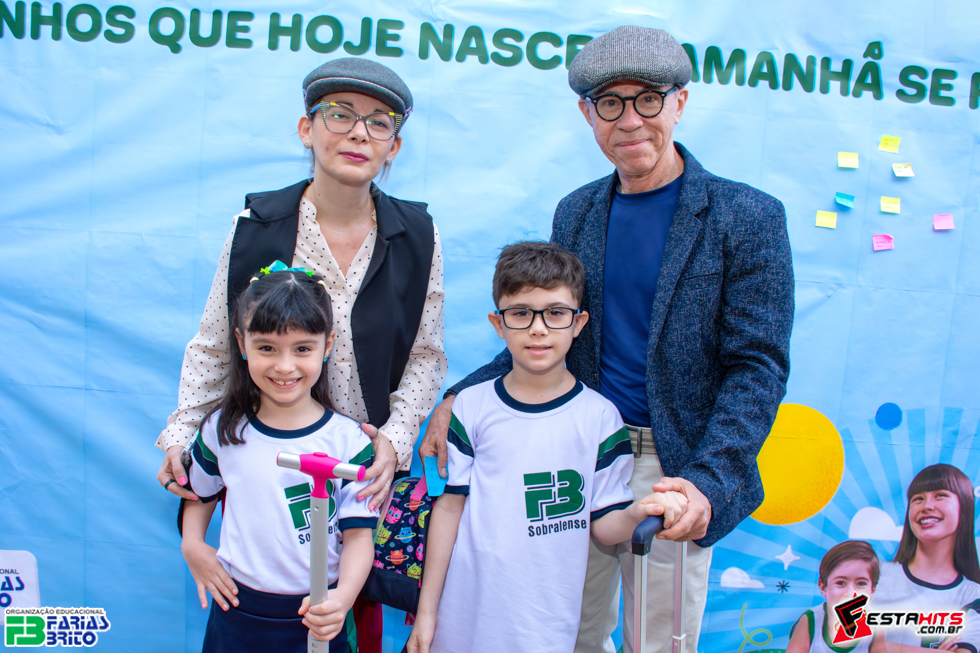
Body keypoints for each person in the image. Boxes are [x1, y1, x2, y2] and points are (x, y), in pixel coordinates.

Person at [419, 25, 794, 653]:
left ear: (679, 102)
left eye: (648, 99)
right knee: (568, 635)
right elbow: (547, 324)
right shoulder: (578, 212)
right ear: (587, 114)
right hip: (574, 454)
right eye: (610, 103)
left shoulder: (747, 216)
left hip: (676, 469)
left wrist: (707, 480)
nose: (630, 120)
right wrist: (460, 394)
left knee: (659, 642)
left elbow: (757, 366)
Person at [156, 58, 446, 650]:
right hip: (268, 450)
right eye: (340, 114)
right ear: (306, 128)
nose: (358, 133)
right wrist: (183, 435)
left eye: (379, 122)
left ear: (394, 146)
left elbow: (426, 355)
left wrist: (392, 441)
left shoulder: (417, 233)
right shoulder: (256, 225)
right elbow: (215, 342)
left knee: (342, 621)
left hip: (356, 466)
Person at [406, 241, 687, 653]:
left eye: (555, 313)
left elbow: (605, 525)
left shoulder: (601, 418)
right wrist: (427, 612)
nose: (538, 328)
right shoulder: (471, 406)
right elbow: (449, 510)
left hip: (547, 622)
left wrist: (638, 513)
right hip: (465, 616)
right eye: (521, 313)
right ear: (498, 323)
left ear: (579, 322)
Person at [181, 267, 376, 652]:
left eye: (302, 349)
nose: (284, 367)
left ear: (328, 344)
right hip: (237, 613)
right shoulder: (222, 430)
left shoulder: (349, 441)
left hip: (319, 615)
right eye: (267, 348)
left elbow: (358, 537)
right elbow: (197, 495)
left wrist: (342, 599)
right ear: (241, 343)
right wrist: (192, 543)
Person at [873, 464, 980, 652]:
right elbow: (841, 640)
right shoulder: (871, 574)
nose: (927, 506)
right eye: (918, 499)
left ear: (964, 506)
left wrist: (885, 646)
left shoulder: (973, 596)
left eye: (940, 495)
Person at [786, 540, 884, 653]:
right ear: (823, 587)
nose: (850, 593)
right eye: (841, 583)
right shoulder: (812, 620)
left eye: (861, 584)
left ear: (872, 590)